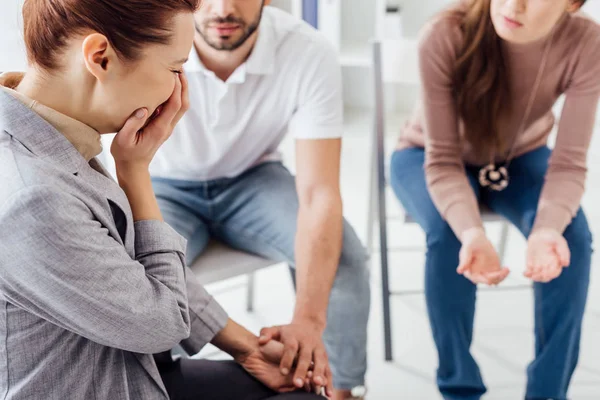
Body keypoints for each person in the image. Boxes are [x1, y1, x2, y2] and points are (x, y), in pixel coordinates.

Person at [0, 1, 328, 399]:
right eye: (175, 68)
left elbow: (122, 272)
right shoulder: (33, 200)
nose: (179, 89)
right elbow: (164, 323)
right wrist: (136, 173)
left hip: (125, 367)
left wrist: (245, 347)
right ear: (100, 58)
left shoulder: (50, 132)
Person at [147, 1, 371, 399]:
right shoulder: (150, 40)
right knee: (150, 275)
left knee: (346, 257)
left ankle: (338, 389)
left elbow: (320, 192)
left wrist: (308, 320)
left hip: (253, 178)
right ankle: (166, 384)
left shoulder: (307, 50)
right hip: (163, 182)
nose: (223, 9)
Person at [390, 0, 600, 399]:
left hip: (517, 156)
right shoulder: (445, 34)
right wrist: (472, 232)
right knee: (448, 238)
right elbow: (443, 160)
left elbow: (569, 164)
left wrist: (546, 229)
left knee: (569, 240)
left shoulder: (586, 43)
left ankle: (548, 392)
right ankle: (459, 388)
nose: (513, 4)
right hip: (425, 156)